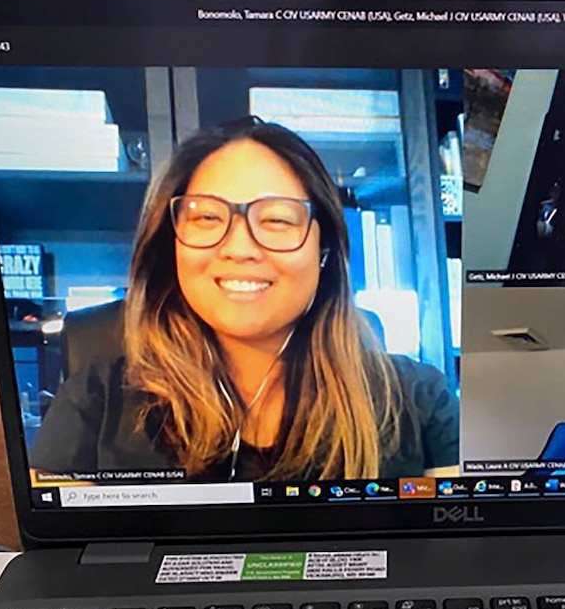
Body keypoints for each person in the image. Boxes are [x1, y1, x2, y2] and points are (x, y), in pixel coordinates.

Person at [31, 116, 458, 482]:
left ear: (324, 248)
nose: (240, 248)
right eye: (206, 218)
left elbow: (465, 554)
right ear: (170, 245)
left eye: (275, 219)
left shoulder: (420, 403)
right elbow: (61, 565)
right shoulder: (93, 403)